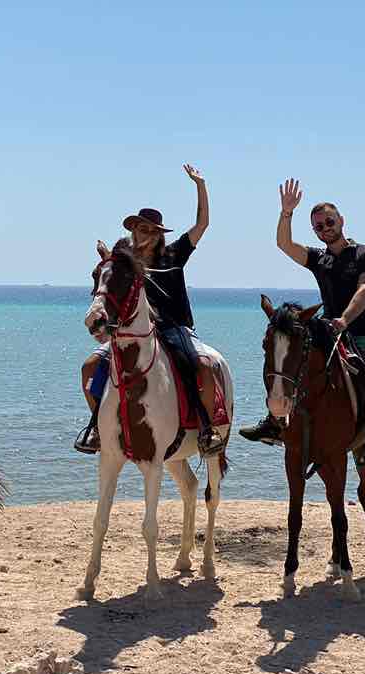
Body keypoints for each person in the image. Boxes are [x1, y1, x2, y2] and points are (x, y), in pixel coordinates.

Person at [75, 164, 225, 457]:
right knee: (91, 367)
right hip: (137, 332)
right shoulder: (125, 263)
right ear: (132, 231)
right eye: (138, 228)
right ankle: (96, 425)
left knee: (203, 366)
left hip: (175, 327)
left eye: (149, 230)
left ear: (158, 234)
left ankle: (207, 428)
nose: (143, 234)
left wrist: (200, 186)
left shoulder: (174, 254)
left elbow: (202, 224)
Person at [239, 178, 365, 471]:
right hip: (328, 328)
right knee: (287, 358)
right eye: (318, 226)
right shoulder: (319, 258)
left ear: (341, 220)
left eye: (329, 221)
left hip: (361, 331)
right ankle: (274, 422)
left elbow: (364, 291)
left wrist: (344, 320)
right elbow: (284, 244)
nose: (325, 228)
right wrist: (286, 213)